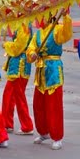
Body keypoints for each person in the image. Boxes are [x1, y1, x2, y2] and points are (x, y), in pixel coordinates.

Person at [26, 9, 72, 150]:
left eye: (43, 16)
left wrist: (65, 16)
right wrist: (32, 54)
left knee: (54, 105)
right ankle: (43, 132)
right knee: (38, 104)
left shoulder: (56, 29)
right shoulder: (39, 33)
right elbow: (30, 48)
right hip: (41, 71)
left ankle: (57, 136)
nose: (41, 19)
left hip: (53, 70)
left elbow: (67, 34)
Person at [1, 25, 34, 135]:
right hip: (17, 65)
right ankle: (7, 124)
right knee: (9, 96)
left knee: (18, 97)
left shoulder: (24, 27)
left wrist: (6, 45)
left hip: (20, 66)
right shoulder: (21, 24)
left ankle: (27, 126)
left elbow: (18, 48)